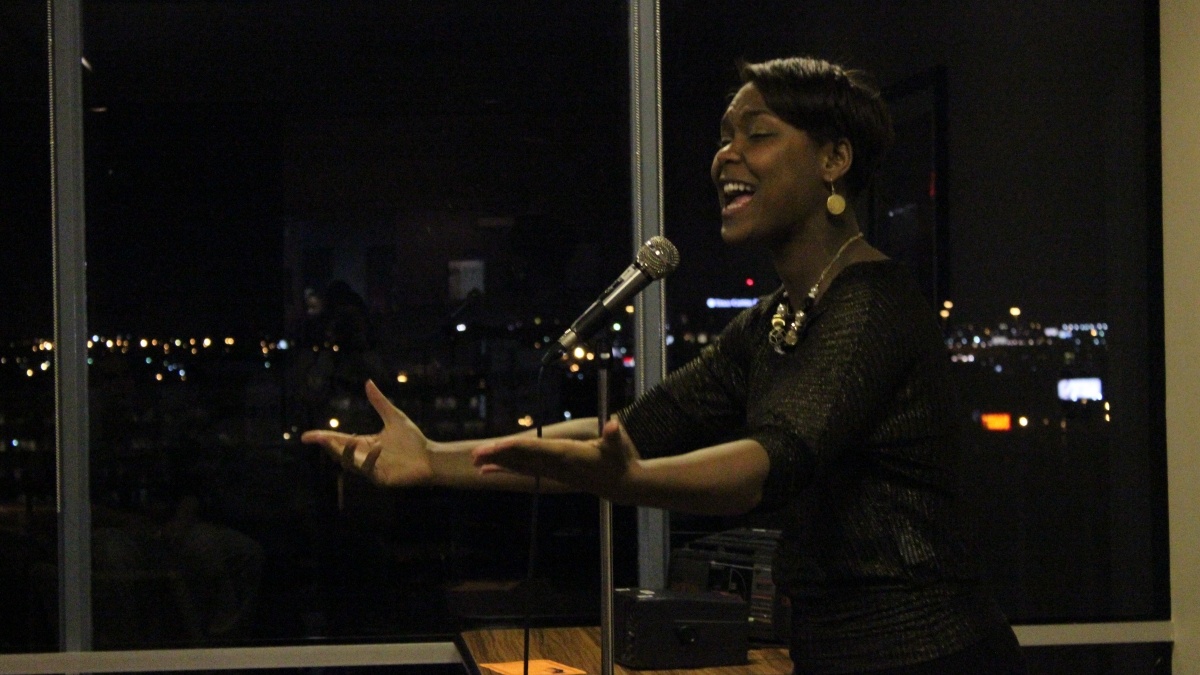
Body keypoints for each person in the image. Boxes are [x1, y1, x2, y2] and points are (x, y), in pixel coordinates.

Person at [303, 56, 1027, 674]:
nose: (724, 156)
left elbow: (768, 461)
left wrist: (636, 482)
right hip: (832, 654)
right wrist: (435, 460)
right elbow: (632, 428)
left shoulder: (873, 305)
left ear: (834, 160)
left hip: (935, 655)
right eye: (722, 137)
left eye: (758, 134)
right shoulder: (774, 317)